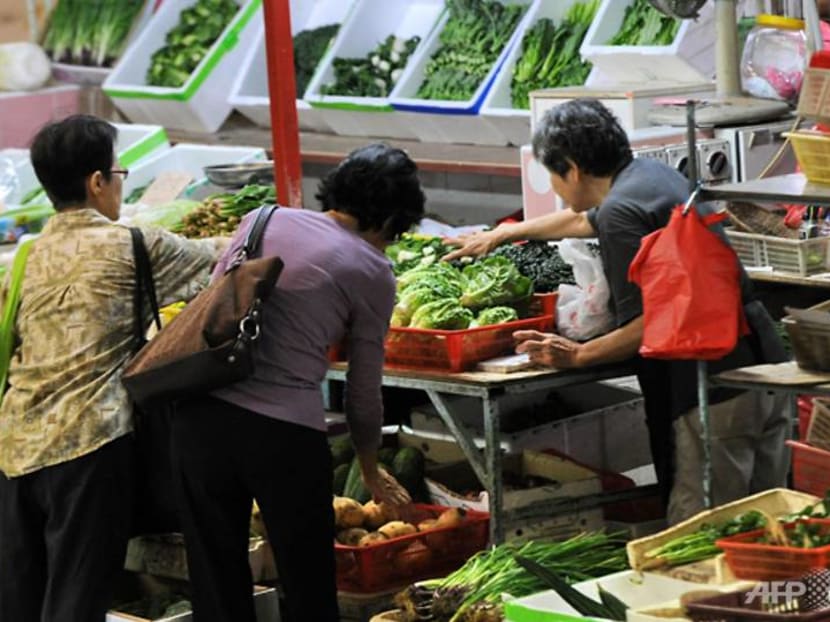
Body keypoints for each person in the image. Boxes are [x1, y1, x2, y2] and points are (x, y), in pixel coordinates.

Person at [444, 98, 789, 525]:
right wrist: (502, 234)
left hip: (711, 385)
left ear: (572, 169)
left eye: (552, 174)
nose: (554, 187)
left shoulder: (620, 211)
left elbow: (650, 324)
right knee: (768, 521)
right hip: (763, 365)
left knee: (701, 530)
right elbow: (583, 222)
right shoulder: (650, 176)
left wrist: (578, 355)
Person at [170, 143, 425, 622]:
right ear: (393, 217)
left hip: (199, 415)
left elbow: (218, 307)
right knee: (308, 583)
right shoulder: (372, 269)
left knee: (215, 578)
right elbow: (363, 388)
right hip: (281, 436)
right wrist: (369, 467)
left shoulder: (262, 219)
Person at [0, 115, 223, 621]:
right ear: (97, 181)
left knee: (21, 599)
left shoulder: (24, 257)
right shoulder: (134, 245)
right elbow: (220, 255)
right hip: (89, 443)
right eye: (118, 174)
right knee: (77, 596)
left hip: (15, 446)